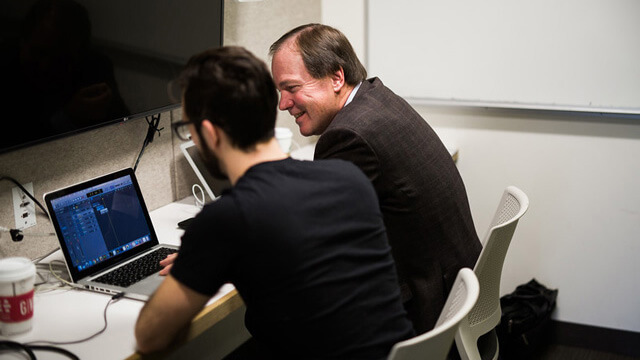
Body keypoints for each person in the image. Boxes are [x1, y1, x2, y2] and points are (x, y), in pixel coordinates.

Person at [134, 46, 414, 359]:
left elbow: (150, 337)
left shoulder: (227, 218)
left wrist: (201, 262)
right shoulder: (347, 178)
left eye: (189, 128)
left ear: (210, 134)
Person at [270, 23, 483, 334]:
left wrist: (217, 252)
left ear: (336, 77)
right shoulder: (375, 97)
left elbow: (312, 238)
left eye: (291, 88)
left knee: (276, 314)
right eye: (280, 91)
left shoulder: (347, 136)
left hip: (426, 305)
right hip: (455, 281)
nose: (283, 104)